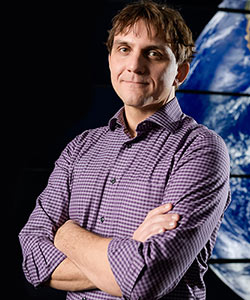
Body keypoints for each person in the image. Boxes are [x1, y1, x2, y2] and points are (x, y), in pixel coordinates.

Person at [19, 1, 231, 299]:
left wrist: (66, 235)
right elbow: (33, 260)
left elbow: (147, 280)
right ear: (110, 60)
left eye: (153, 53)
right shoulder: (80, 148)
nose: (134, 65)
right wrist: (129, 248)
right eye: (124, 49)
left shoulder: (200, 149)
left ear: (180, 72)